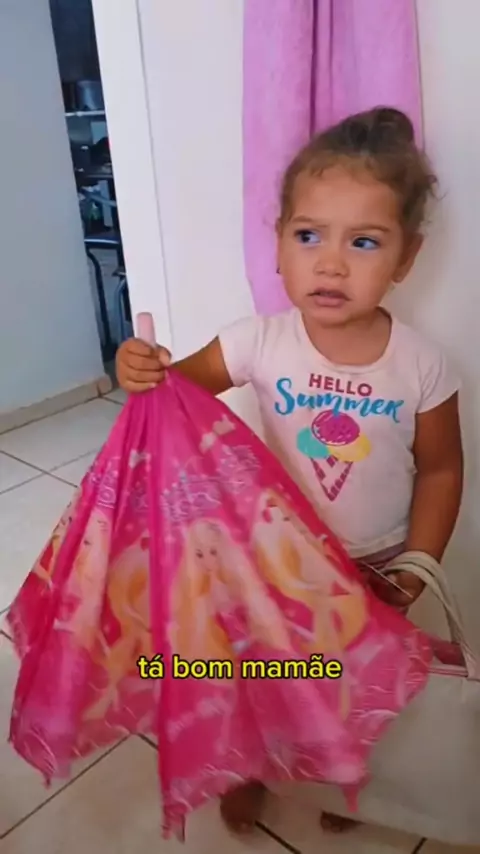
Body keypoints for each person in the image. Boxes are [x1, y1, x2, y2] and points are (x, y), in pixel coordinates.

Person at [115, 107, 463, 834]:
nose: (331, 263)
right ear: (277, 245)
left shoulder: (424, 365)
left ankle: (344, 779)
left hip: (376, 568)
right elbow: (172, 391)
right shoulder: (258, 341)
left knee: (352, 684)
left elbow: (440, 471)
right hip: (272, 565)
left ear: (406, 258)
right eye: (308, 236)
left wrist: (418, 564)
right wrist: (141, 369)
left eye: (363, 241)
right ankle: (247, 766)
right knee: (262, 673)